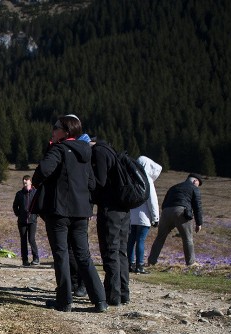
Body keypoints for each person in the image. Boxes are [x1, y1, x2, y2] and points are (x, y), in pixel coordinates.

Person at [32, 114, 107, 313]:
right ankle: (100, 300)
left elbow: (43, 170)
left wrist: (38, 182)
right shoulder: (86, 152)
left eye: (56, 127)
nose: (53, 130)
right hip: (82, 212)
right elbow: (92, 183)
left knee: (62, 254)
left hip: (59, 211)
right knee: (83, 255)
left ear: (66, 132)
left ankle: (64, 301)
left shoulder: (58, 149)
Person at [91, 138, 131, 306]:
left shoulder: (99, 152)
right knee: (121, 251)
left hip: (110, 209)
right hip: (124, 208)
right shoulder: (112, 152)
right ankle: (123, 292)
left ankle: (112, 295)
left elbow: (99, 181)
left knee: (110, 251)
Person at [147, 173, 204, 267]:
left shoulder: (174, 187)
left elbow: (164, 202)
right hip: (181, 211)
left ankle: (151, 261)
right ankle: (191, 262)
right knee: (187, 238)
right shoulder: (194, 188)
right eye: (199, 184)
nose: (198, 186)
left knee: (160, 237)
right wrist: (199, 223)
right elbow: (197, 206)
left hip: (166, 212)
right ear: (195, 181)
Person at [128, 156, 162, 274]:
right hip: (144, 217)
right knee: (140, 241)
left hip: (131, 216)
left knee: (131, 241)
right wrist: (155, 217)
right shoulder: (147, 179)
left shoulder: (131, 177)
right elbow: (152, 200)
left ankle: (130, 264)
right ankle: (140, 266)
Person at [13, 175, 40, 267]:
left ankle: (36, 258)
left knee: (31, 239)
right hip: (22, 221)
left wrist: (36, 214)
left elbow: (39, 205)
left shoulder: (36, 193)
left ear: (30, 182)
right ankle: (25, 260)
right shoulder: (19, 194)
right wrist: (18, 214)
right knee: (23, 240)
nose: (24, 181)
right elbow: (15, 206)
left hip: (32, 220)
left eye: (26, 180)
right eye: (23, 180)